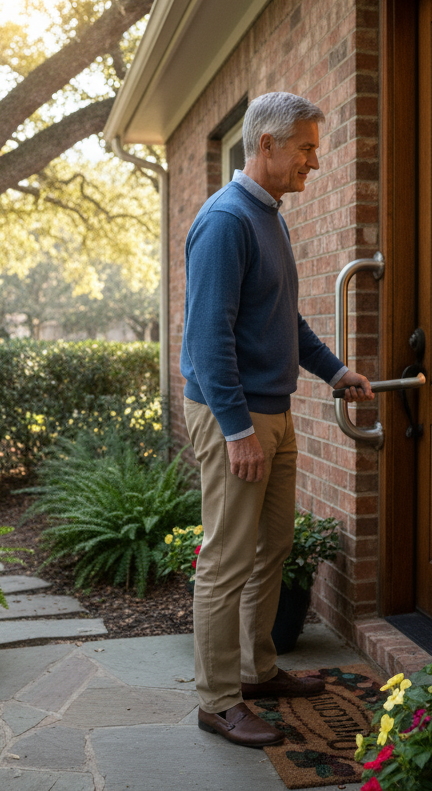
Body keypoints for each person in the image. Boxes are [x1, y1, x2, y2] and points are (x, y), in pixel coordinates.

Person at [181, 91, 374, 748]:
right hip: (233, 415)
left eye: (315, 150)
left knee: (273, 548)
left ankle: (256, 671)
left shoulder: (270, 218)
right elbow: (209, 338)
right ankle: (217, 701)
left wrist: (334, 371)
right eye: (306, 149)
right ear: (266, 144)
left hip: (273, 411)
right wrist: (237, 431)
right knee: (227, 559)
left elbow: (282, 318)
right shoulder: (226, 221)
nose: (314, 162)